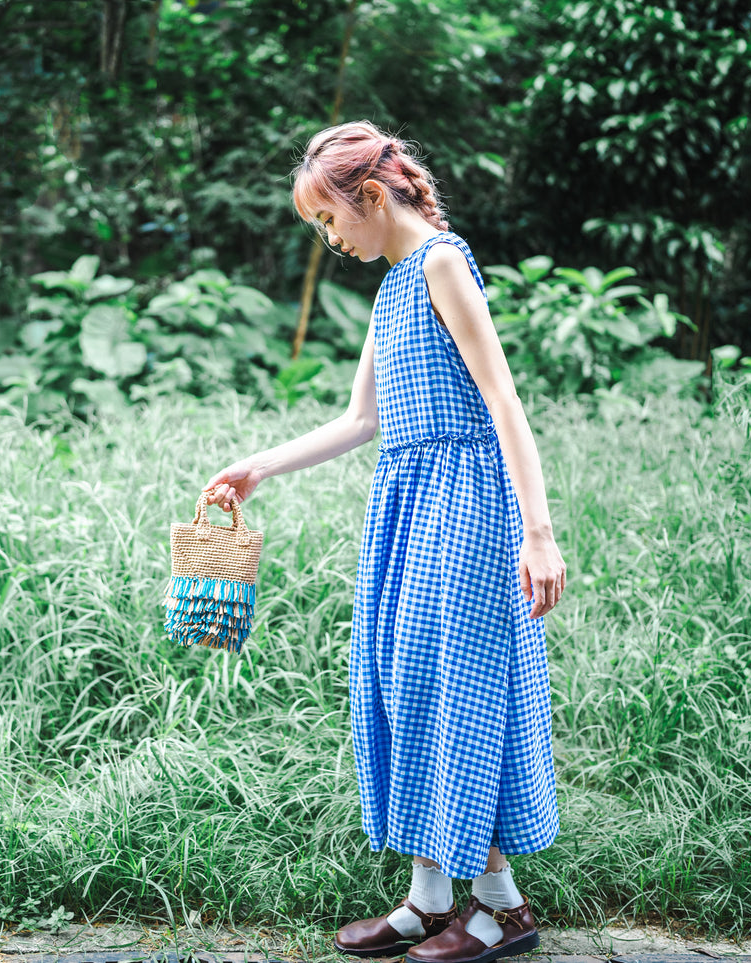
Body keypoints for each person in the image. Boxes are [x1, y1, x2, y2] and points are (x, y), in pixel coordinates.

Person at [201, 120, 566, 963]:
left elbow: (504, 401)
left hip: (469, 503)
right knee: (405, 685)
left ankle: (500, 908)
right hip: (407, 509)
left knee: (457, 694)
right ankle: (430, 898)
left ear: (369, 195)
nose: (331, 239)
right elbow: (361, 419)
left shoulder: (440, 261)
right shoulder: (394, 285)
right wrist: (259, 465)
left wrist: (537, 534)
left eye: (331, 220)